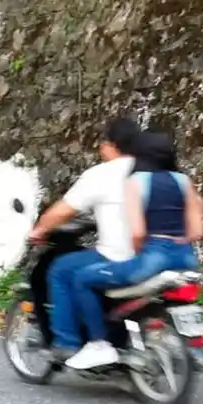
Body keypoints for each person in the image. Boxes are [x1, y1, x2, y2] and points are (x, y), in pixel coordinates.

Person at [66, 129, 203, 370]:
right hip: (185, 258)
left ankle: (100, 344)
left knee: (82, 278)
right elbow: (197, 231)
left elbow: (138, 233)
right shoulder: (183, 181)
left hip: (154, 256)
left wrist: (140, 252)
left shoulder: (136, 181)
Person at [26, 116, 141, 358]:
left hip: (117, 257)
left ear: (111, 145)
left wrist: (39, 230)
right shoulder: (154, 170)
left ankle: (66, 342)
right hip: (154, 255)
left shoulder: (102, 174)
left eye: (102, 142)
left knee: (59, 269)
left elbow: (63, 211)